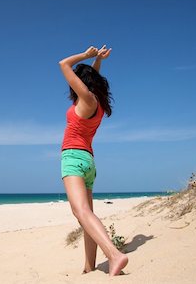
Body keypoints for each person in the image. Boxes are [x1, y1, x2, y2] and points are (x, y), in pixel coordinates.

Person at [59, 44, 128, 276]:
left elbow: (63, 64)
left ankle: (114, 255)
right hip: (88, 161)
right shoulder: (95, 102)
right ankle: (89, 267)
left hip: (74, 157)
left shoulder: (86, 98)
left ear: (81, 83)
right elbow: (93, 77)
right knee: (86, 215)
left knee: (81, 213)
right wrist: (98, 61)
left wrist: (86, 56)